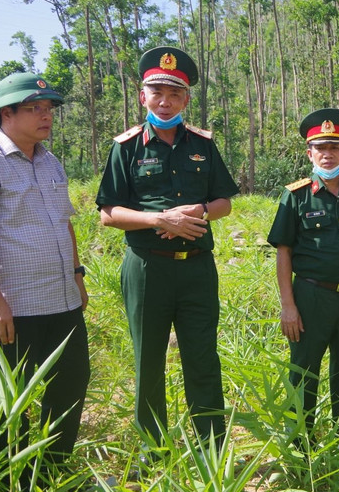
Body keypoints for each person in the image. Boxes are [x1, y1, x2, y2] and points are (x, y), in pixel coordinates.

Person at [96, 46, 239, 448]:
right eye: (156, 91)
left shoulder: (202, 144)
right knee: (149, 361)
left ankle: (212, 448)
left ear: (186, 99)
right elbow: (108, 213)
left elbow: (225, 201)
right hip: (147, 268)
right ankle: (153, 451)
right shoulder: (126, 147)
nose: (165, 100)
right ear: (143, 96)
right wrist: (159, 219)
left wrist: (202, 211)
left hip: (196, 269)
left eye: (174, 93)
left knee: (203, 359)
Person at [0, 73, 90, 470]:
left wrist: (77, 275)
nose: (45, 116)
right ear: (6, 114)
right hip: (13, 307)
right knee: (9, 396)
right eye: (34, 108)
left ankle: (52, 468)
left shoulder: (49, 161)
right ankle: (11, 474)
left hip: (60, 298)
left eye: (48, 109)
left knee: (71, 381)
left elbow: (64, 222)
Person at [267, 108, 339, 439]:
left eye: (335, 147)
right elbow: (284, 252)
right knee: (304, 372)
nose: (328, 154)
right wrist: (288, 305)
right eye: (321, 148)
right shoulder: (296, 196)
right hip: (311, 298)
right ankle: (299, 442)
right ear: (310, 153)